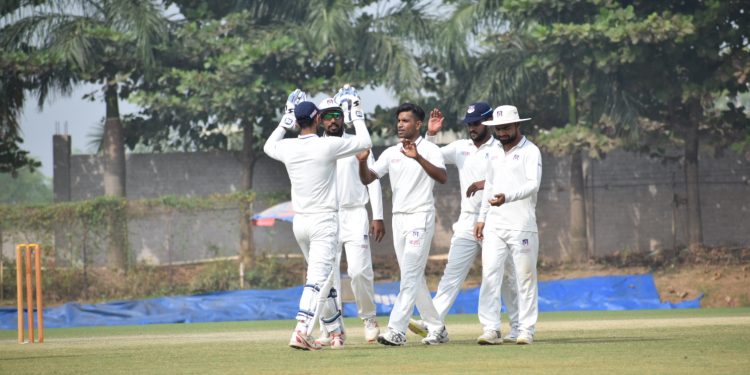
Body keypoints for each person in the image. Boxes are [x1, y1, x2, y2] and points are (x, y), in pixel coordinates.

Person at [263, 88, 372, 350]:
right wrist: (355, 113)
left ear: (297, 121)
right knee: (318, 279)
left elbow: (267, 146)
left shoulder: (286, 146)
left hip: (299, 223)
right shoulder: (327, 144)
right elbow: (365, 142)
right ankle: (302, 330)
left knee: (323, 278)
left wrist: (283, 122)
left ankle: (335, 330)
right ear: (316, 120)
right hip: (324, 222)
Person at [406, 103, 521, 344]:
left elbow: (514, 177)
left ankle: (518, 327)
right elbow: (429, 155)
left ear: (488, 122)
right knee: (451, 275)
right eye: (469, 123)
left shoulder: (502, 148)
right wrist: (431, 134)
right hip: (468, 220)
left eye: (476, 123)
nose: (472, 127)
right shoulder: (460, 148)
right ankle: (432, 323)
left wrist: (484, 182)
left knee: (504, 276)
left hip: (497, 218)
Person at [358, 103, 449, 346]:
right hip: (398, 218)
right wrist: (361, 162)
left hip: (421, 216)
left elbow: (442, 177)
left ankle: (396, 330)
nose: (400, 124)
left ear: (418, 124)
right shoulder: (390, 153)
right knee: (414, 277)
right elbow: (369, 178)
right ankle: (437, 328)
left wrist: (418, 157)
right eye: (399, 120)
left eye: (406, 120)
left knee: (409, 274)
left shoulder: (429, 149)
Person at [315, 95, 385, 345]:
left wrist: (378, 215)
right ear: (320, 121)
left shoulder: (357, 142)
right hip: (326, 216)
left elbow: (373, 179)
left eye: (337, 115)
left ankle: (368, 318)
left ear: (343, 117)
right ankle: (331, 328)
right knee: (326, 276)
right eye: (327, 117)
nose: (333, 120)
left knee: (358, 270)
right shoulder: (314, 146)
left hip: (355, 212)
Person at [474, 105, 542, 345]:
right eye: (498, 128)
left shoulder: (530, 151)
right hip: (495, 225)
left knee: (524, 278)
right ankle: (491, 329)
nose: (502, 132)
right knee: (490, 275)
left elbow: (533, 185)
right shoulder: (493, 152)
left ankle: (526, 329)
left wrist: (507, 197)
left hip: (522, 224)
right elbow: (490, 186)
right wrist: (482, 217)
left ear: (517, 126)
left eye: (506, 128)